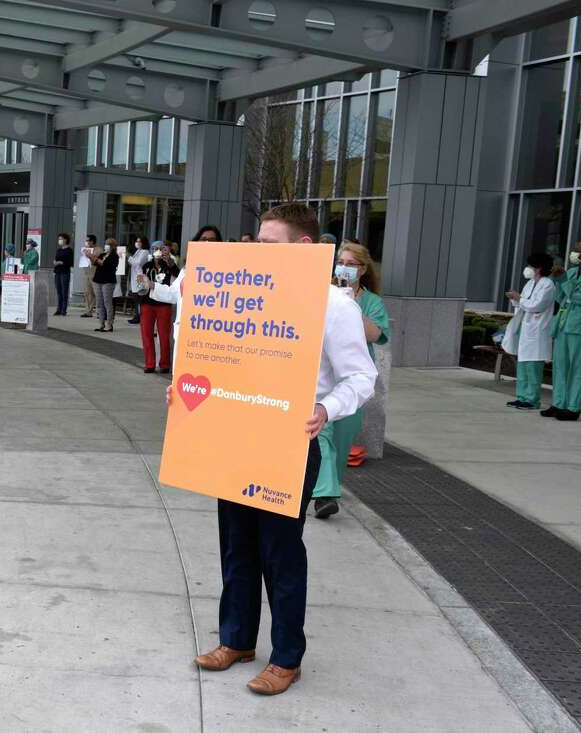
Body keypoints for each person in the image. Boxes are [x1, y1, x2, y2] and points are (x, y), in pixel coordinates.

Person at [185, 203, 376, 696]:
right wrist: (186, 387)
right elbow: (217, 354)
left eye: (268, 243)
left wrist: (326, 409)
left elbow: (361, 377)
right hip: (237, 435)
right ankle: (237, 640)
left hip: (289, 443)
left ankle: (286, 657)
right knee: (237, 544)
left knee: (280, 552)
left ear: (303, 247)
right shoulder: (246, 295)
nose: (257, 250)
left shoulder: (334, 306)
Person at [312, 241, 391, 519]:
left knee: (343, 437)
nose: (344, 268)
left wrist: (352, 305)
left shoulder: (371, 302)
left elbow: (375, 335)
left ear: (363, 269)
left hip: (351, 379)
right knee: (322, 431)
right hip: (323, 378)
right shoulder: (327, 294)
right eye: (341, 262)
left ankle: (328, 485)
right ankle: (324, 493)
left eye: (351, 263)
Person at [502, 253, 555, 410]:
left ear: (538, 268)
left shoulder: (548, 285)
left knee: (533, 367)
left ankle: (532, 400)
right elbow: (522, 303)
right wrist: (514, 298)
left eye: (531, 266)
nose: (528, 269)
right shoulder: (530, 283)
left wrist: (519, 298)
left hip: (538, 331)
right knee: (523, 365)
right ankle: (522, 397)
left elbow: (537, 305)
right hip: (526, 330)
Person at [545, 240, 581, 421]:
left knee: (577, 369)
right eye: (574, 249)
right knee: (560, 366)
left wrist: (564, 281)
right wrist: (558, 281)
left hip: (579, 329)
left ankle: (573, 407)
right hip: (563, 325)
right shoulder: (572, 272)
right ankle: (558, 403)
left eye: (578, 250)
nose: (574, 253)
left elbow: (579, 298)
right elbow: (562, 298)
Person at [134, 242, 179, 373]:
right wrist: (141, 284)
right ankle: (150, 363)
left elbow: (177, 274)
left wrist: (169, 260)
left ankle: (165, 363)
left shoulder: (169, 264)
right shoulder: (147, 266)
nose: (157, 251)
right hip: (147, 303)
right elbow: (141, 284)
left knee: (164, 335)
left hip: (163, 304)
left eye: (160, 249)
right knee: (146, 333)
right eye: (154, 249)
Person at [92, 238, 119, 332]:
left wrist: (94, 258)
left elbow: (105, 264)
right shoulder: (102, 254)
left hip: (108, 281)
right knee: (99, 303)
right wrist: (91, 257)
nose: (106, 246)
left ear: (113, 246)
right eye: (106, 244)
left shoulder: (114, 256)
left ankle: (109, 324)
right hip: (98, 280)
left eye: (109, 244)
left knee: (107, 303)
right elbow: (95, 263)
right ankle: (101, 324)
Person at [127, 236, 151, 324]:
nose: (137, 243)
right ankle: (137, 315)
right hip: (134, 277)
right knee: (135, 298)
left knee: (139, 299)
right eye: (137, 241)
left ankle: (139, 317)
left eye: (139, 241)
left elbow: (138, 263)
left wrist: (129, 257)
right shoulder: (138, 251)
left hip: (140, 277)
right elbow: (132, 262)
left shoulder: (145, 252)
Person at [53, 233, 73, 316]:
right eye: (59, 239)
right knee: (59, 291)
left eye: (61, 239)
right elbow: (55, 259)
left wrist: (61, 262)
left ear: (65, 240)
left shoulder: (69, 250)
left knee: (64, 291)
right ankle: (59, 309)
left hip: (65, 272)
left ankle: (64, 310)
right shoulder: (59, 250)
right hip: (57, 272)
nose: (59, 240)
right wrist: (55, 262)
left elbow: (70, 262)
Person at [81, 235, 98, 317]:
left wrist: (90, 255)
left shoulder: (98, 249)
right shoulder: (85, 249)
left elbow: (98, 260)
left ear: (92, 241)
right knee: (87, 293)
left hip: (95, 274)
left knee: (97, 293)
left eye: (88, 240)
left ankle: (99, 311)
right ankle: (88, 311)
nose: (86, 242)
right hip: (86, 273)